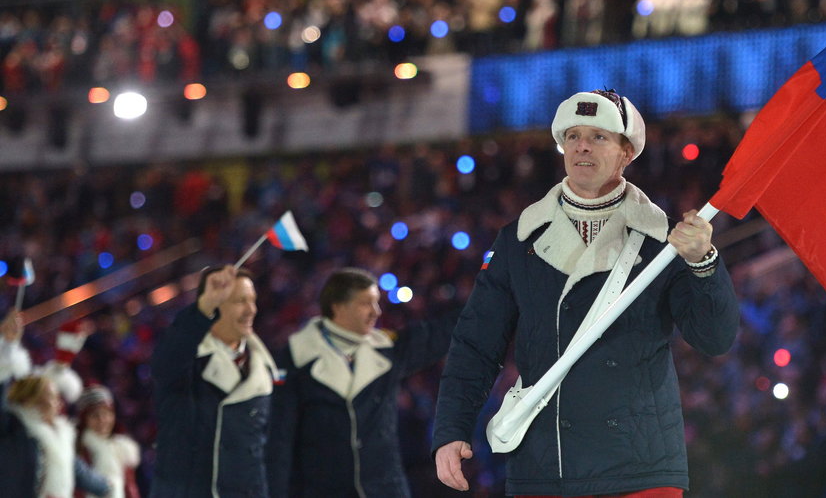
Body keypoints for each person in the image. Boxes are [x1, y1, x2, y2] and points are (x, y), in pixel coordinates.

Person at [432, 89, 740, 497]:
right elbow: (476, 344)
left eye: (598, 136)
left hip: (639, 468)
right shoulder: (517, 240)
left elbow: (715, 338)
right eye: (573, 135)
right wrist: (451, 430)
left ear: (627, 152)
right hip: (545, 466)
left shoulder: (665, 241)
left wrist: (704, 261)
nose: (582, 146)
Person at [267, 267, 457, 497]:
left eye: (376, 303)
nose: (376, 312)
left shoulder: (387, 351)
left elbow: (442, 333)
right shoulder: (294, 361)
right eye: (366, 303)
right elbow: (279, 441)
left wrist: (494, 294)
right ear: (338, 307)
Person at [150, 265, 277, 497]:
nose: (251, 310)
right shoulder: (186, 360)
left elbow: (262, 457)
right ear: (214, 306)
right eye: (240, 301)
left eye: (253, 300)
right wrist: (202, 309)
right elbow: (164, 364)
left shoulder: (265, 367)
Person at [1, 310, 111, 498]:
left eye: (56, 396)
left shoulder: (60, 433)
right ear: (30, 400)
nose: (57, 402)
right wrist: (6, 346)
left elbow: (83, 475)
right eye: (49, 396)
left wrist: (112, 488)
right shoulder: (13, 427)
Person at [76, 384, 141, 498]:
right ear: (84, 420)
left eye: (106, 414)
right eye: (95, 415)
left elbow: (130, 489)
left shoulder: (122, 449)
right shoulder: (79, 449)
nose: (102, 420)